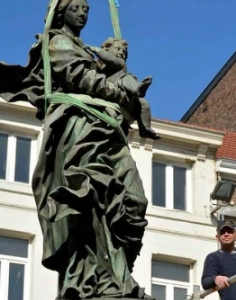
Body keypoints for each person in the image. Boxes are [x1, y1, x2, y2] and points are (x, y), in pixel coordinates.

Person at [0, 0, 151, 299]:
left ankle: (120, 275)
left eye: (86, 8)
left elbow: (105, 78)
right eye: (76, 7)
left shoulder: (92, 51)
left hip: (109, 133)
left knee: (133, 202)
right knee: (88, 202)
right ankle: (100, 282)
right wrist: (120, 90)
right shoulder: (57, 42)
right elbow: (81, 78)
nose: (83, 12)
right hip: (80, 132)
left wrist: (120, 72)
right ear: (61, 11)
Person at [85, 37, 159, 140]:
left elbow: (108, 58)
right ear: (106, 48)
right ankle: (143, 126)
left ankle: (144, 127)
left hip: (122, 86)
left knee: (143, 103)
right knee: (142, 102)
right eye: (117, 49)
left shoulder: (120, 63)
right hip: (107, 93)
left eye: (124, 51)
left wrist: (93, 48)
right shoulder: (97, 66)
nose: (121, 53)